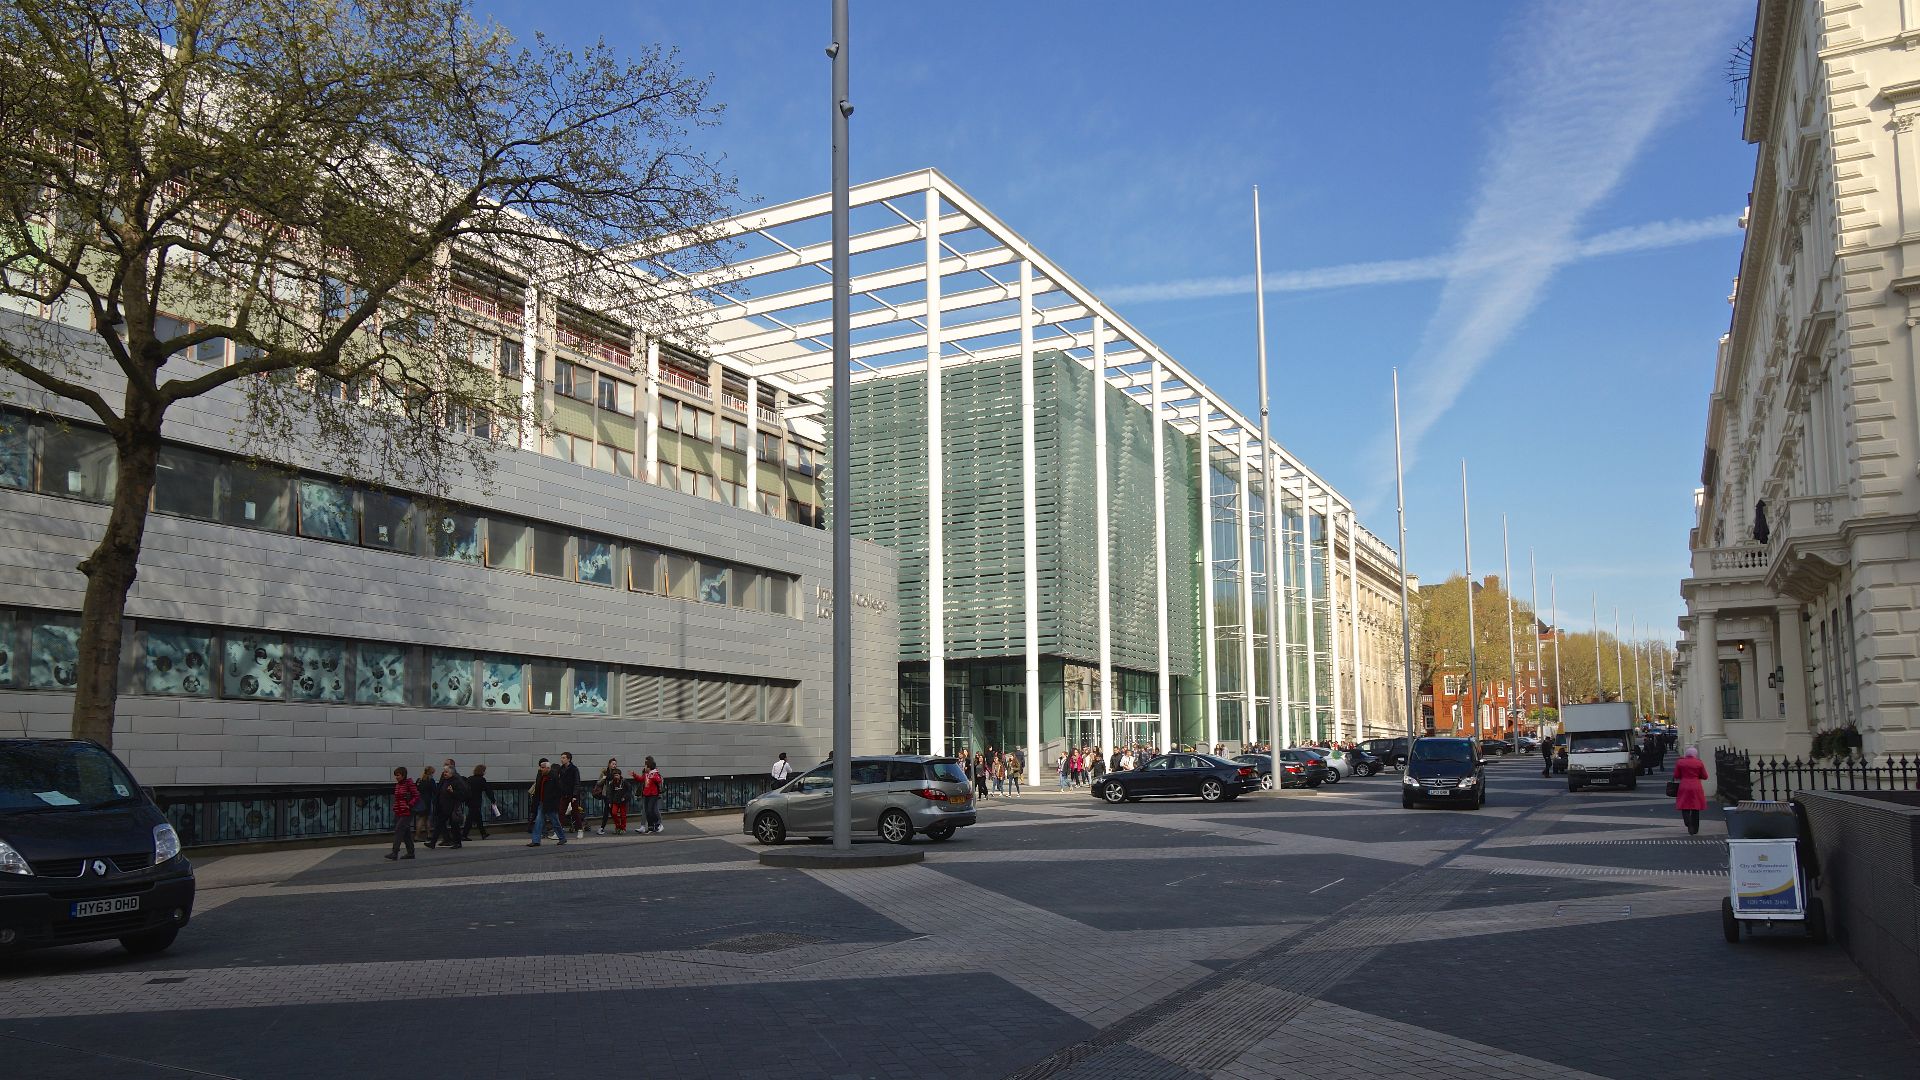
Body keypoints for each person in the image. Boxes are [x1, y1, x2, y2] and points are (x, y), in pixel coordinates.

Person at [527, 757, 566, 846]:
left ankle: (562, 838)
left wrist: (554, 801)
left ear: (548, 768)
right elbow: (537, 789)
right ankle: (536, 840)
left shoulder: (554, 777)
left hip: (550, 804)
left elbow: (559, 791)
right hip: (542, 802)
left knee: (555, 821)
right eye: (541, 767)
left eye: (542, 767)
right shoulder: (540, 775)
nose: (541, 769)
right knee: (538, 821)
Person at [428, 760, 466, 849]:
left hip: (452, 807)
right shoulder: (445, 780)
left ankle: (457, 842)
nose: (444, 774)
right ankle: (433, 842)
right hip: (444, 806)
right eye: (444, 772)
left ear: (451, 773)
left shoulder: (457, 780)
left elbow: (461, 794)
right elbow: (440, 790)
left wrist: (452, 792)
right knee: (439, 824)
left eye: (446, 772)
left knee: (454, 825)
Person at [1673, 747, 1709, 835]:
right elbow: (1705, 776)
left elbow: (1676, 775)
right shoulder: (1699, 763)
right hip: (1696, 785)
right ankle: (1695, 827)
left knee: (1684, 805)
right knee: (1695, 807)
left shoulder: (1680, 762)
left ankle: (1688, 822)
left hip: (1684, 785)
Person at [385, 766, 419, 860]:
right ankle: (411, 852)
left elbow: (416, 796)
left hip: (407, 811)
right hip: (399, 810)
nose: (396, 777)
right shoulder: (398, 784)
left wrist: (410, 805)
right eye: (396, 775)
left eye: (398, 775)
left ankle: (395, 852)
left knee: (399, 829)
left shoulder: (409, 784)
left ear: (403, 775)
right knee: (405, 832)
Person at [554, 751, 583, 839]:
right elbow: (559, 781)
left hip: (572, 794)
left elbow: (577, 782)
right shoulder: (561, 769)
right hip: (564, 794)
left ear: (568, 759)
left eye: (563, 758)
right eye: (561, 757)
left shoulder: (574, 769)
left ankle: (580, 830)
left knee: (575, 813)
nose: (561, 759)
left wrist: (574, 795)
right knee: (561, 812)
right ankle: (559, 831)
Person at [596, 758, 629, 835]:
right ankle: (605, 828)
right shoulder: (604, 772)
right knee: (607, 811)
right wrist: (604, 779)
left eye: (615, 764)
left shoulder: (617, 772)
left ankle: (618, 827)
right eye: (613, 764)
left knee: (612, 812)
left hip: (615, 796)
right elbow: (598, 783)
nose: (614, 765)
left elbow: (621, 782)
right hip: (607, 795)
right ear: (609, 764)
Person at [462, 763, 491, 841]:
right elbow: (488, 790)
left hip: (469, 801)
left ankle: (483, 833)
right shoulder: (481, 780)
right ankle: (464, 835)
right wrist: (492, 800)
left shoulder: (470, 779)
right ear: (482, 771)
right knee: (470, 819)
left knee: (478, 817)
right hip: (476, 801)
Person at [636, 756, 665, 833]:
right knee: (646, 810)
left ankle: (658, 824)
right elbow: (642, 780)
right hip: (646, 792)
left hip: (653, 794)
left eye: (646, 762)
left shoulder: (654, 772)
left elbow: (659, 780)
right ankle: (645, 826)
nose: (645, 764)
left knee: (653, 810)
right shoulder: (645, 771)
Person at [415, 763, 439, 841]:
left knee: (421, 818)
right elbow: (435, 791)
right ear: (431, 773)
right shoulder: (430, 780)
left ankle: (427, 834)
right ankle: (420, 836)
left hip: (419, 801)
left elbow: (416, 789)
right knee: (425, 819)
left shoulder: (419, 780)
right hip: (427, 801)